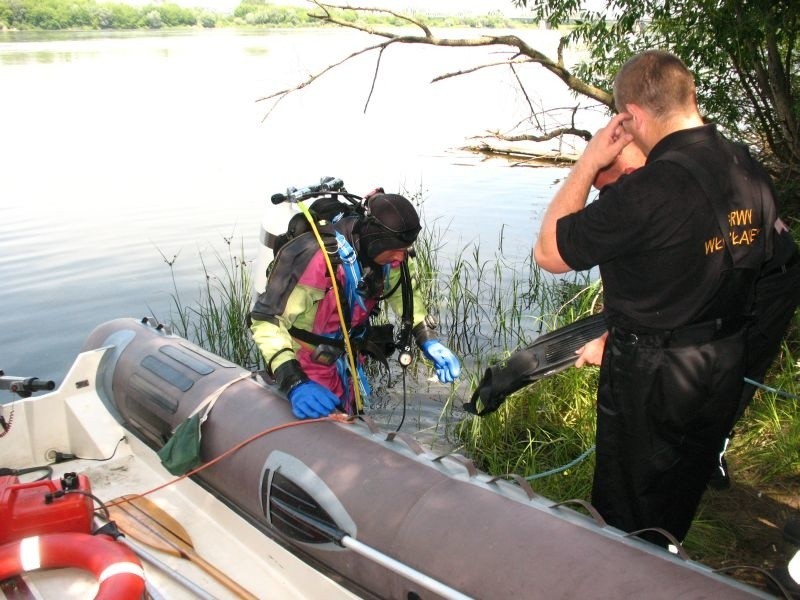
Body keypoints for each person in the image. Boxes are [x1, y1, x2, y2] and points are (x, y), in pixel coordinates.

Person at [533, 50, 776, 547]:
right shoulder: (743, 164)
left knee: (626, 514)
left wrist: (589, 162)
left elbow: (549, 252)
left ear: (633, 116)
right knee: (681, 489)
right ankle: (667, 557)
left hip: (654, 372)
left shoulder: (647, 191)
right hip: (723, 360)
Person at [250, 191, 461, 420]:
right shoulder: (317, 258)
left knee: (351, 420)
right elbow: (266, 320)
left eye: (405, 249)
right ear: (377, 240)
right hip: (306, 363)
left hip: (346, 358)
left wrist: (427, 338)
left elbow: (405, 295)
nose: (401, 258)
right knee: (323, 434)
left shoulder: (390, 257)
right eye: (396, 249)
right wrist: (294, 381)